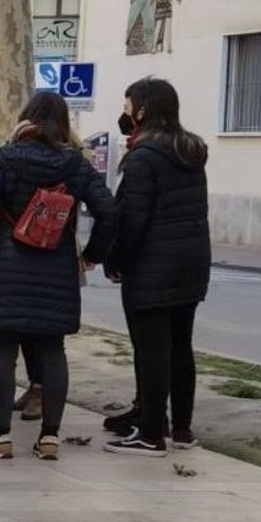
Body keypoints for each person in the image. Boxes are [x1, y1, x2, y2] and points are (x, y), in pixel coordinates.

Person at [0, 93, 119, 461]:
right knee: (53, 348)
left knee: (3, 349)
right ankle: (49, 437)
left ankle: (0, 436)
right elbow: (109, 210)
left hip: (6, 263)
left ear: (27, 119)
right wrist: (93, 255)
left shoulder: (7, 157)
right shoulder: (75, 164)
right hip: (56, 265)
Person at [104, 78, 210, 457]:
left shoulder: (143, 157)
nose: (126, 111)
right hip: (191, 263)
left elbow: (132, 219)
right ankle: (181, 429)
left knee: (151, 350)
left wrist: (114, 260)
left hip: (152, 266)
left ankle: (150, 434)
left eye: (129, 104)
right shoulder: (191, 150)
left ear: (143, 110)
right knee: (181, 348)